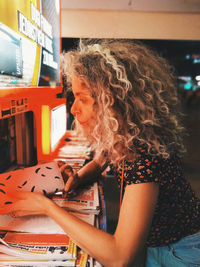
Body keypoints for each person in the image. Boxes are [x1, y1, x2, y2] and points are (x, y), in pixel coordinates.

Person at [0, 39, 200, 267]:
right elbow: (100, 161)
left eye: (83, 99)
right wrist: (79, 177)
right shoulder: (123, 136)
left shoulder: (143, 155)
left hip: (180, 252)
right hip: (160, 243)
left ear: (113, 103)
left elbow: (119, 257)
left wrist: (47, 207)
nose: (73, 109)